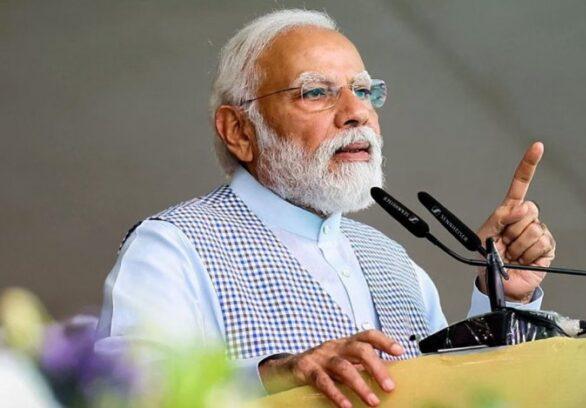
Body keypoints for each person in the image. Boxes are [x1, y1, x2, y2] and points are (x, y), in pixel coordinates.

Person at [96, 9, 556, 408]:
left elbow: (461, 394)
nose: (357, 112)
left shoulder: (395, 261)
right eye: (316, 92)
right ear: (239, 130)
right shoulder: (174, 246)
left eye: (364, 90)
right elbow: (123, 393)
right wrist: (274, 374)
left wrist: (502, 294)